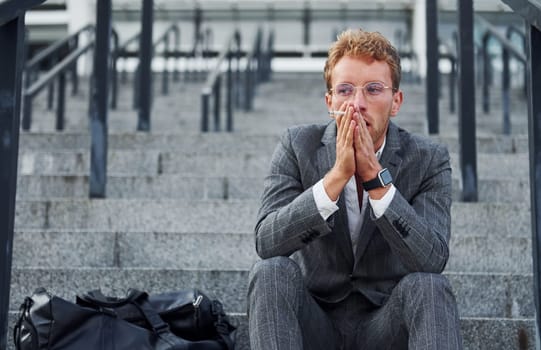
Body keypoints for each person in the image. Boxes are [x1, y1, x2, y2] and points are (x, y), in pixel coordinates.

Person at [247, 28, 463, 350]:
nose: (357, 104)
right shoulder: (297, 145)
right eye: (345, 90)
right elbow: (266, 241)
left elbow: (431, 258)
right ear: (329, 101)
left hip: (388, 324)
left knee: (429, 286)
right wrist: (335, 178)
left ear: (396, 102)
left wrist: (376, 180)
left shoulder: (429, 159)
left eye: (373, 89)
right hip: (315, 321)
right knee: (270, 272)